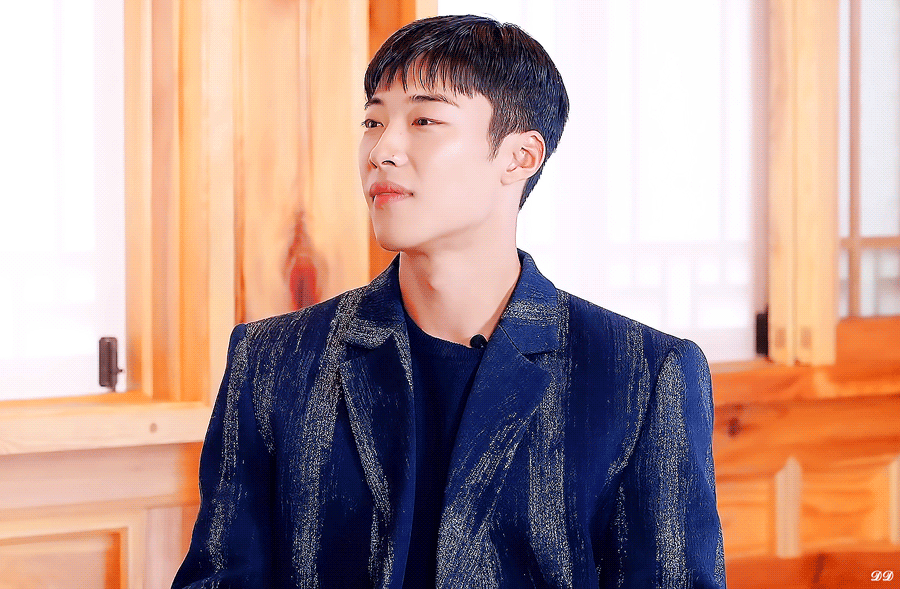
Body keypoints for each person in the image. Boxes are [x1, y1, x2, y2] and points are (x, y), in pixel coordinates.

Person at [173, 14, 726, 588]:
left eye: (424, 120)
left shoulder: (641, 373)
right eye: (373, 121)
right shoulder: (273, 358)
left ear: (520, 157)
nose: (382, 150)